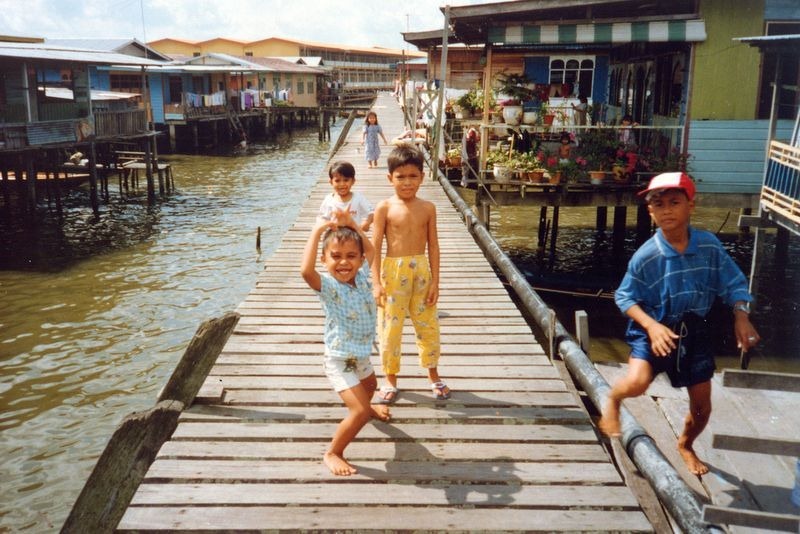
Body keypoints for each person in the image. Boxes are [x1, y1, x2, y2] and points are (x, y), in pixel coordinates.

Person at [598, 172, 760, 476]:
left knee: (702, 407)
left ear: (691, 206)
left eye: (675, 202)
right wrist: (651, 326)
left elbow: (734, 283)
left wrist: (741, 315)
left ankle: (685, 444)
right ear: (650, 211)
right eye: (658, 205)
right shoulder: (646, 256)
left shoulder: (709, 246)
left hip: (694, 329)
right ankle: (614, 398)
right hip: (653, 325)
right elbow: (624, 297)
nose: (667, 210)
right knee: (637, 383)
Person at [300, 209, 391, 476]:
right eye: (336, 256)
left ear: (360, 260)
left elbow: (371, 250)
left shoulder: (362, 277)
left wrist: (353, 225)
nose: (343, 262)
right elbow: (305, 271)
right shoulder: (329, 287)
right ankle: (334, 452)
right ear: (324, 259)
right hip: (340, 359)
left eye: (351, 256)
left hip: (359, 355)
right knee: (359, 410)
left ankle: (369, 407)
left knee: (371, 385)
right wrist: (317, 231)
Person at [371, 145, 448, 404]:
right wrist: (376, 283)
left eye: (413, 176)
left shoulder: (428, 208)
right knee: (390, 328)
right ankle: (390, 379)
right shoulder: (384, 207)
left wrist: (436, 282)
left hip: (422, 272)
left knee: (428, 325)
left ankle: (433, 375)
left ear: (422, 177)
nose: (407, 182)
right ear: (390, 178)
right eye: (400, 177)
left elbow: (434, 246)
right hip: (393, 273)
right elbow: (375, 247)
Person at [317, 160, 373, 232]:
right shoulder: (329, 200)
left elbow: (372, 212)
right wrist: (326, 224)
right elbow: (321, 218)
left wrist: (367, 222)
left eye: (346, 180)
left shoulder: (358, 198)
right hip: (335, 236)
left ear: (353, 181)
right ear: (331, 182)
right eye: (337, 181)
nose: (342, 184)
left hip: (354, 236)